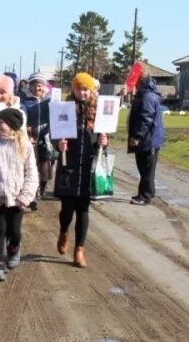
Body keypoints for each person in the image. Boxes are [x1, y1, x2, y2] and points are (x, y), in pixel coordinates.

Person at [54, 72, 108, 268]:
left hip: (89, 167)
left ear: (91, 90)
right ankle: (63, 231)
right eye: (79, 89)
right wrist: (57, 145)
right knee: (67, 209)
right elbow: (55, 135)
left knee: (83, 210)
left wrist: (104, 142)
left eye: (86, 90)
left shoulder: (99, 111)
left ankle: (79, 249)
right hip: (69, 166)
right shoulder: (64, 109)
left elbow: (103, 141)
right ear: (73, 90)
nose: (83, 93)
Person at [0, 108, 38, 281]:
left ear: (12, 125)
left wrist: (25, 196)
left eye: (2, 123)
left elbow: (32, 173)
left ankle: (14, 247)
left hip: (17, 198)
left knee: (14, 231)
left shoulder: (24, 145)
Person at [128, 73, 165, 206]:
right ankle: (147, 191)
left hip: (148, 139)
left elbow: (146, 118)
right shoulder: (146, 94)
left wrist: (137, 136)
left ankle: (145, 196)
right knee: (145, 168)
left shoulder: (147, 96)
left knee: (146, 168)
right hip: (149, 138)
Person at [23, 72, 56, 210]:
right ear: (30, 86)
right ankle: (33, 195)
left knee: (46, 165)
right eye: (35, 85)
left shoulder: (50, 100)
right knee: (32, 167)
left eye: (40, 85)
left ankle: (42, 187)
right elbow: (22, 116)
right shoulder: (24, 100)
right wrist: (25, 132)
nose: (37, 88)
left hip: (46, 137)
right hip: (30, 138)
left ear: (44, 86)